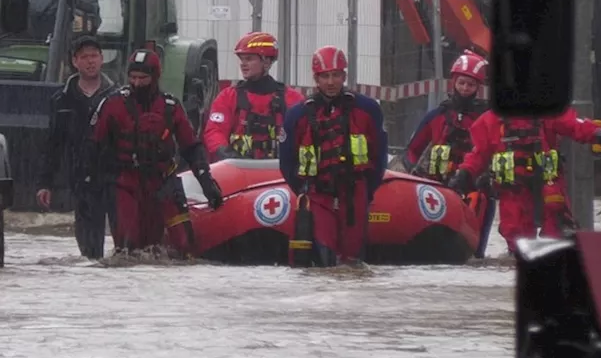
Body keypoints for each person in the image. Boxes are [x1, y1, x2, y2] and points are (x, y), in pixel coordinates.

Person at [90, 48, 224, 257]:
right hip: (126, 184)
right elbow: (94, 147)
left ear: (155, 77)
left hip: (163, 183)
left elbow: (191, 147)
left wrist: (207, 183)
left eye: (142, 78)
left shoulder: (170, 107)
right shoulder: (113, 105)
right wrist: (93, 187)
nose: (136, 83)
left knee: (184, 246)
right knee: (129, 248)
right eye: (132, 77)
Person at [449, 107, 601, 254]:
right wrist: (464, 173)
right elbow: (478, 154)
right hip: (513, 191)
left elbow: (575, 126)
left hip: (548, 188)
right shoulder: (490, 120)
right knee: (517, 240)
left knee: (557, 236)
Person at [279, 46, 389, 266]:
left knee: (352, 260)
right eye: (325, 76)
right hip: (318, 193)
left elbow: (379, 156)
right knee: (325, 257)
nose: (331, 82)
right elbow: (287, 161)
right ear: (316, 79)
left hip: (354, 192)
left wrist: (367, 190)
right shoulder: (297, 115)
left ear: (344, 76)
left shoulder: (368, 109)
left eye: (336, 75)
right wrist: (304, 191)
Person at [36, 36, 118, 259]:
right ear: (75, 61)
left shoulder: (116, 97)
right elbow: (53, 143)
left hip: (113, 175)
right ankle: (90, 276)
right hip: (80, 176)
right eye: (84, 57)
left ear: (102, 59)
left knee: (122, 235)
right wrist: (45, 183)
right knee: (88, 243)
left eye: (94, 56)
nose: (90, 61)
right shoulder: (62, 100)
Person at [203, 31, 305, 161]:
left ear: (267, 62)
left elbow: (305, 135)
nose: (243, 64)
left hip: (277, 172)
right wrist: (226, 153)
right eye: (242, 59)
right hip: (239, 170)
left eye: (249, 59)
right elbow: (214, 131)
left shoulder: (292, 99)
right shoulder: (228, 97)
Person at [404, 51, 488, 180]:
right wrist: (414, 173)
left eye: (471, 85)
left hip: (472, 189)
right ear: (454, 82)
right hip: (437, 187)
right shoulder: (437, 116)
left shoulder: (484, 119)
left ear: (478, 87)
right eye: (461, 83)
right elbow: (412, 150)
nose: (465, 88)